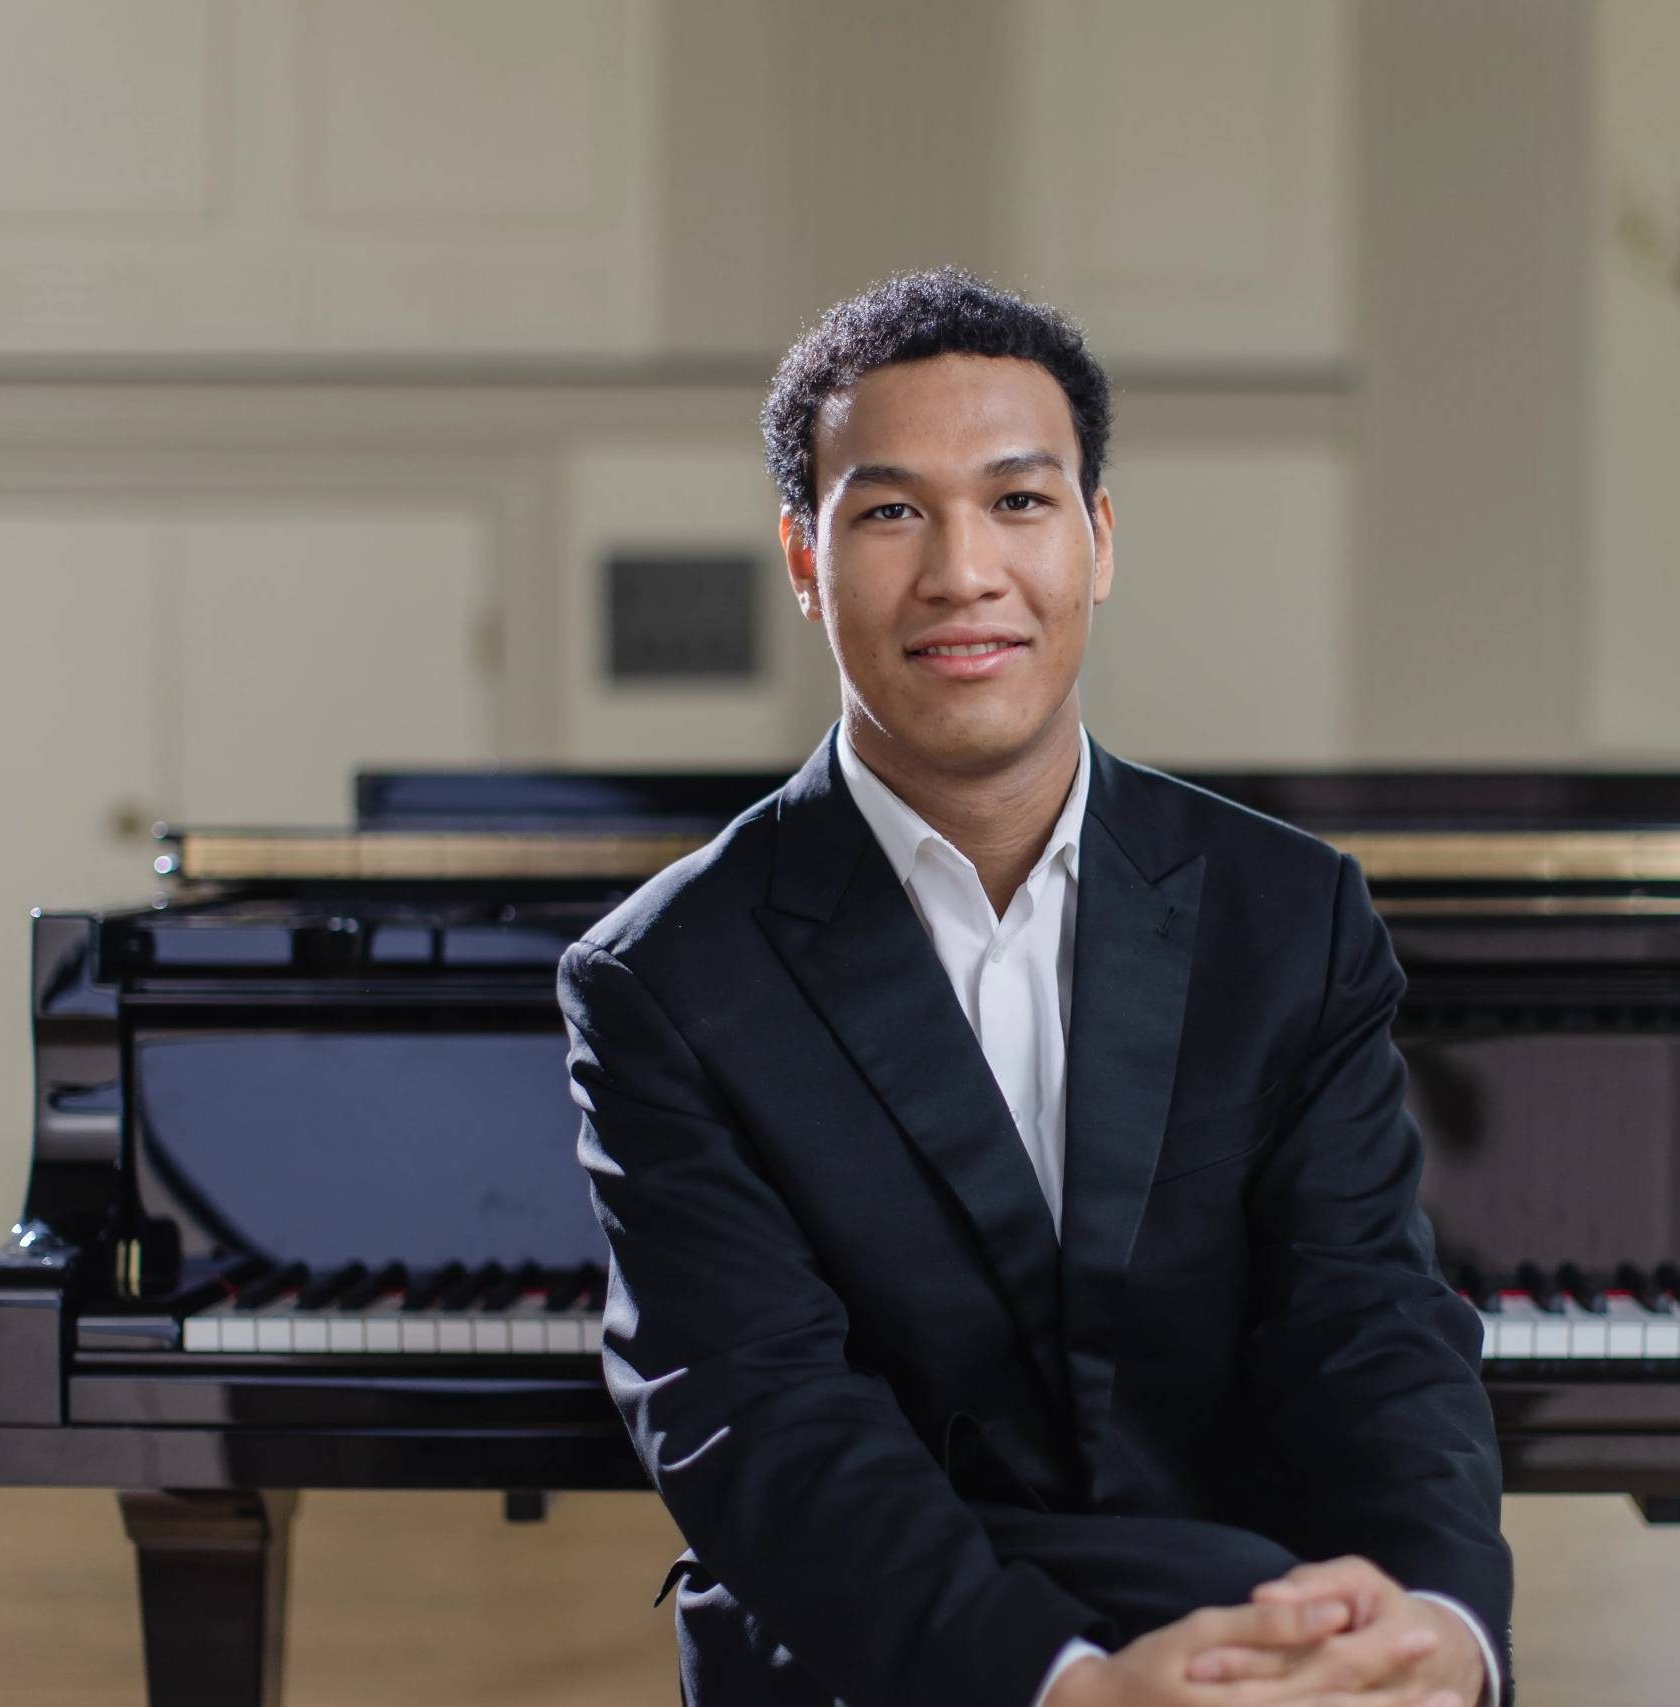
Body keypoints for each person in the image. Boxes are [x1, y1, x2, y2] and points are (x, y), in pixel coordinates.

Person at [558, 267, 1511, 1707]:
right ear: (804, 557)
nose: (961, 573)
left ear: (1099, 538)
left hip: (1238, 1620)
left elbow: (1367, 1320)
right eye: (889, 512)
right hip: (863, 1660)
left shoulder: (1288, 914)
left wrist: (1439, 1620)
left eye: (1019, 501)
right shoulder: (666, 977)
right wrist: (1061, 1687)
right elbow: (760, 1420)